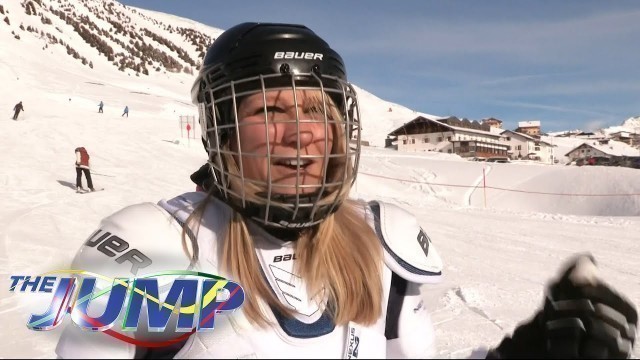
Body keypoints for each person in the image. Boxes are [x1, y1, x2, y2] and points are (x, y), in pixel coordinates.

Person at [55, 23, 637, 359]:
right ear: (223, 130)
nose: (301, 131)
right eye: (268, 108)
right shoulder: (153, 247)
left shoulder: (384, 245)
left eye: (316, 108)